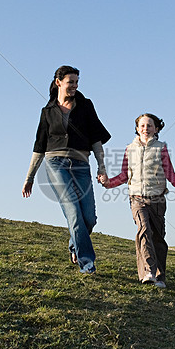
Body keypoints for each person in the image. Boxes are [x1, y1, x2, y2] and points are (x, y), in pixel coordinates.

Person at [22, 65, 111, 275]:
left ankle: (74, 245)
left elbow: (96, 139)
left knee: (89, 218)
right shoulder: (47, 112)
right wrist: (30, 177)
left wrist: (102, 167)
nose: (74, 86)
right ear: (58, 82)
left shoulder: (86, 106)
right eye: (71, 82)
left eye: (77, 82)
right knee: (73, 210)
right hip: (56, 164)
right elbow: (39, 147)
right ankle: (87, 264)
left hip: (81, 164)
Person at [98, 114, 175, 288]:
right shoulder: (130, 149)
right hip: (137, 199)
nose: (145, 128)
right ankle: (148, 271)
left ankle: (160, 276)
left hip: (157, 199)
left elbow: (170, 174)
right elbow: (123, 175)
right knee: (143, 230)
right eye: (142, 125)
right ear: (137, 128)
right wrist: (107, 183)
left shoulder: (161, 148)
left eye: (150, 125)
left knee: (158, 238)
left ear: (156, 129)